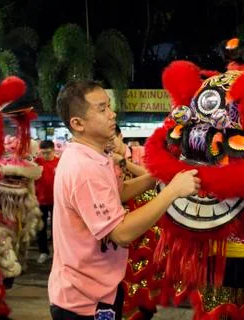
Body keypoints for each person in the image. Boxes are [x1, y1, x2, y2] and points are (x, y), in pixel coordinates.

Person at [48, 80, 201, 320]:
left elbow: (118, 193)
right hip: (83, 300)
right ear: (77, 124)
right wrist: (171, 192)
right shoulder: (84, 168)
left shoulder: (95, 157)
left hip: (100, 288)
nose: (112, 114)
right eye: (102, 109)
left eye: (109, 106)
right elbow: (120, 233)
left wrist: (156, 177)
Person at [35, 140, 60, 263]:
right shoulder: (37, 163)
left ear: (53, 150)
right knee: (41, 228)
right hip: (40, 200)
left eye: (48, 152)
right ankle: (43, 252)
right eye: (43, 153)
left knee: (58, 228)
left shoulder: (60, 162)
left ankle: (58, 252)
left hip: (57, 201)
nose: (45, 155)